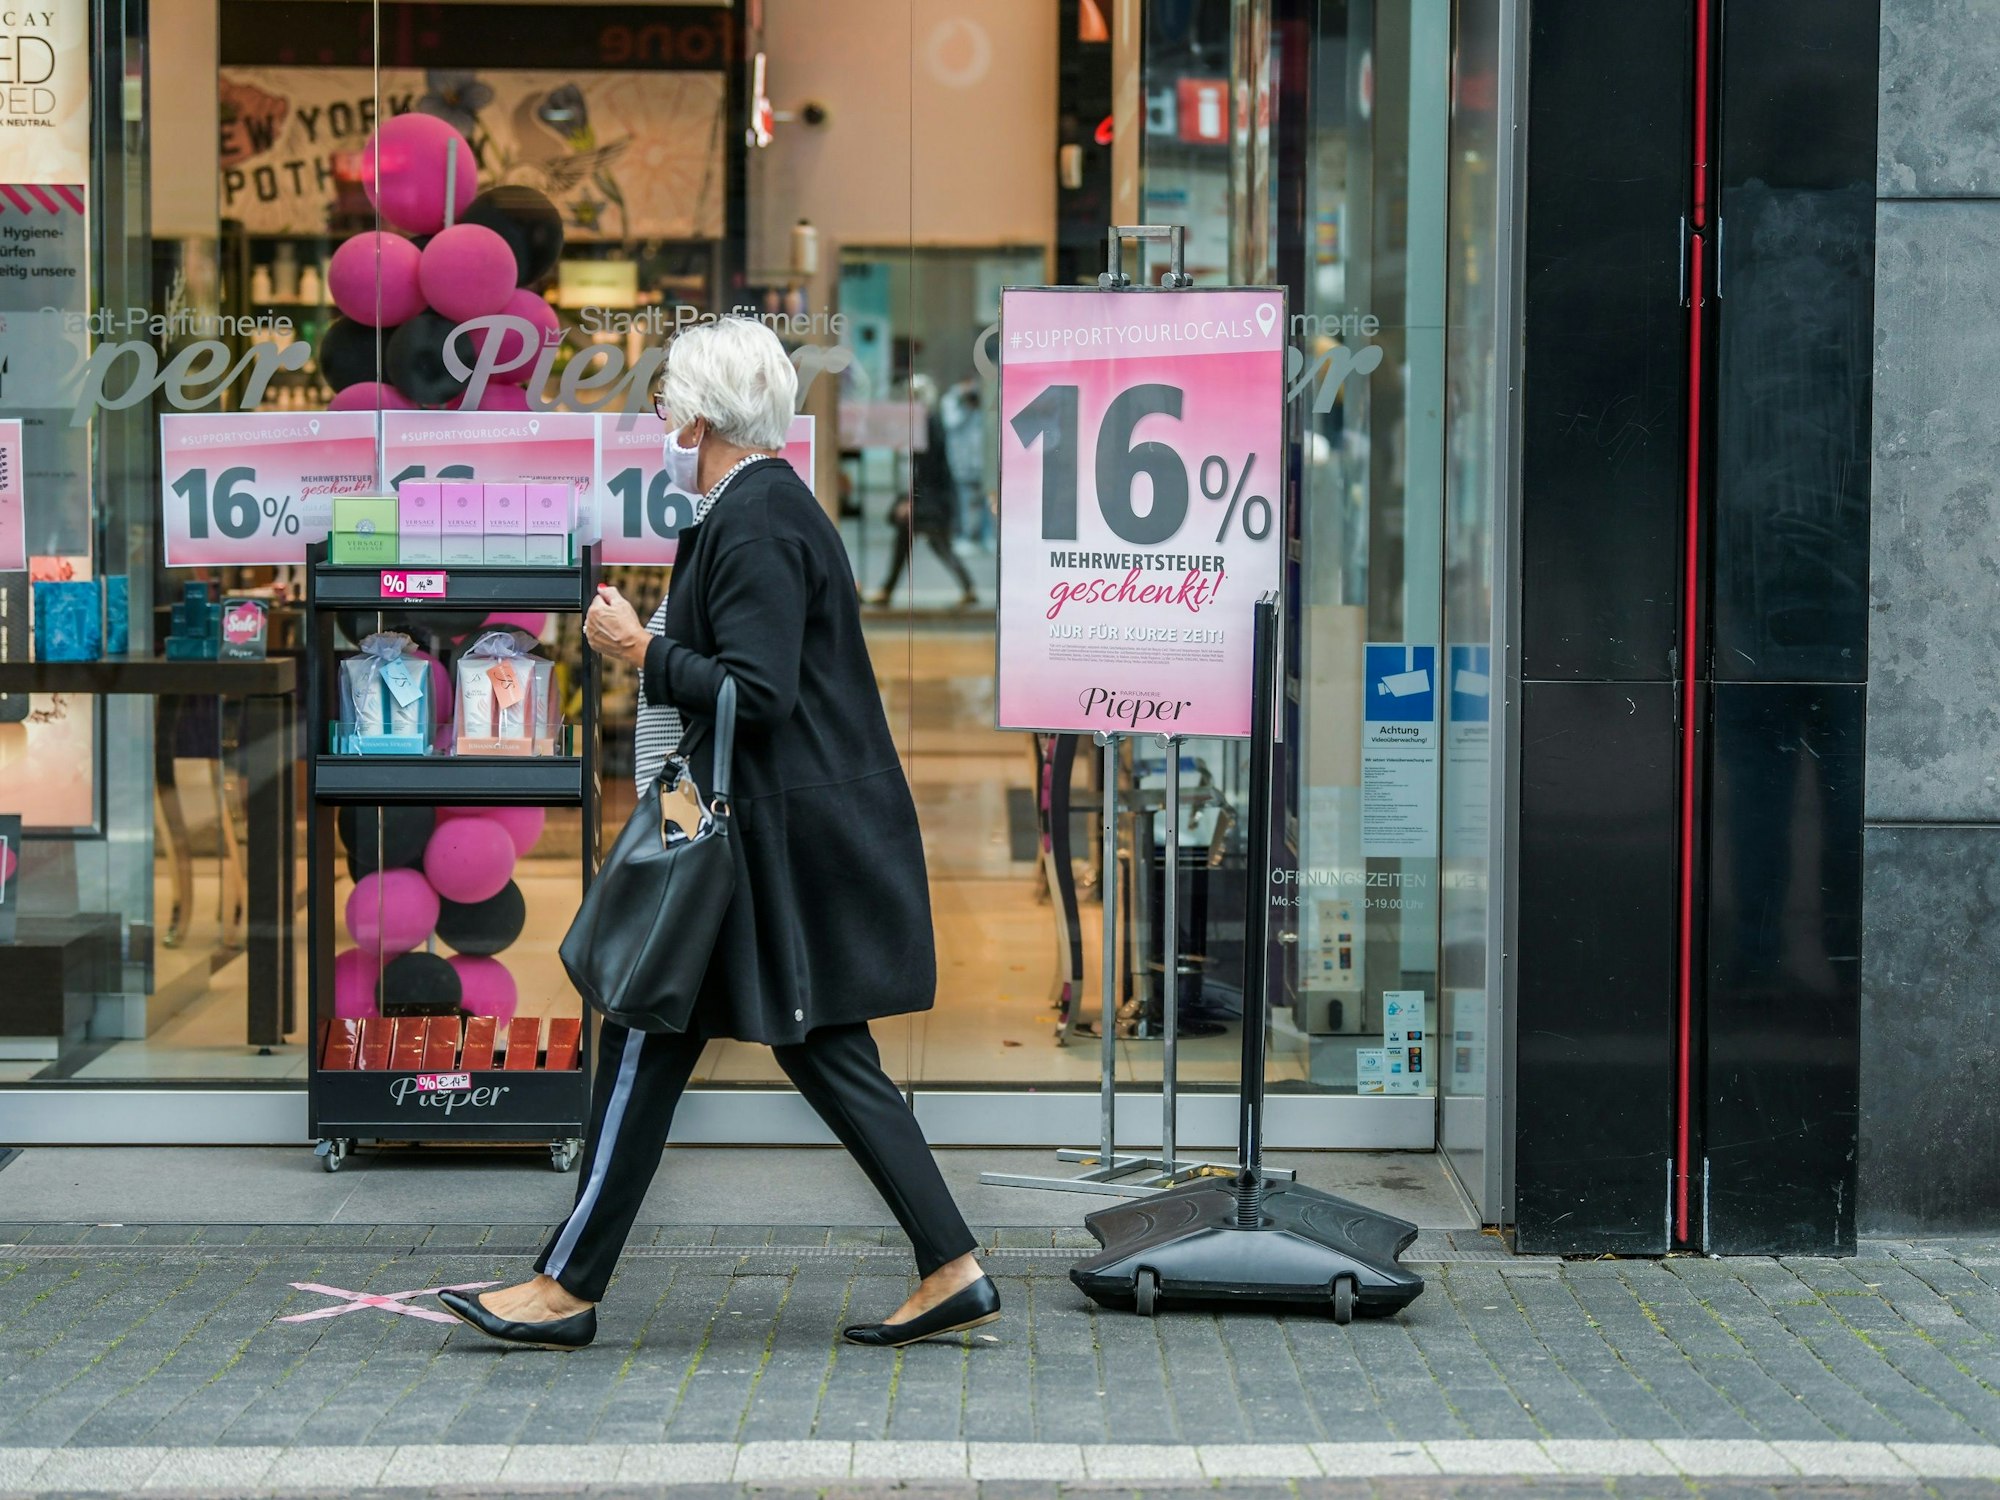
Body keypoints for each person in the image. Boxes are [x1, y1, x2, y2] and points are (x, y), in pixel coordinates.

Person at [439, 317, 998, 1352]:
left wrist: (638, 650)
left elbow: (760, 693)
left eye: (664, 404)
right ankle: (949, 1261)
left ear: (699, 416)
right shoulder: (760, 508)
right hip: (774, 833)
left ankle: (566, 1286)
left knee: (657, 1031)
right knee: (808, 1047)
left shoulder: (752, 522)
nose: (656, 419)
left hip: (761, 837)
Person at [867, 377, 978, 608]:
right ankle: (967, 586)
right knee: (928, 543)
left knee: (925, 541)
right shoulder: (926, 423)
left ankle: (887, 590)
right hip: (932, 498)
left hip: (931, 500)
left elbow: (926, 470)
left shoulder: (928, 425)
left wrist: (910, 500)